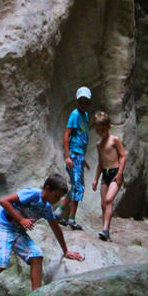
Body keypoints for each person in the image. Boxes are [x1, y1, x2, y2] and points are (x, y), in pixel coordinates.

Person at [0, 173, 84, 296]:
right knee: (2, 261)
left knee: (36, 256)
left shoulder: (47, 208)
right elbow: (4, 201)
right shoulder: (32, 194)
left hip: (17, 231)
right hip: (1, 225)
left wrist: (66, 251)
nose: (57, 200)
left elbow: (56, 229)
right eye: (56, 196)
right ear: (47, 188)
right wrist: (21, 219)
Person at [55, 86, 92, 230]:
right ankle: (71, 219)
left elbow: (82, 137)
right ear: (77, 101)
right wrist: (67, 156)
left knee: (76, 186)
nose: (83, 104)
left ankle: (59, 212)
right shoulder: (75, 114)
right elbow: (66, 135)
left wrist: (84, 160)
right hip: (74, 155)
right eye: (81, 101)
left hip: (80, 156)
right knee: (78, 187)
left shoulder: (86, 116)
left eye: (86, 101)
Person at [91, 111, 126, 241]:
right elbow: (100, 163)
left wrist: (120, 173)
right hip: (105, 174)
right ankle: (106, 231)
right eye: (98, 130)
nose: (100, 132)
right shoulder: (99, 144)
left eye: (102, 129)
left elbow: (123, 156)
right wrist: (95, 179)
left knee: (109, 199)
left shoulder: (114, 140)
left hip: (115, 172)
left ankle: (105, 229)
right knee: (103, 204)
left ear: (108, 127)